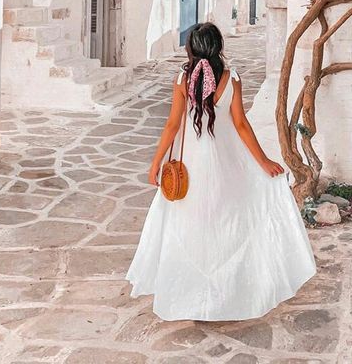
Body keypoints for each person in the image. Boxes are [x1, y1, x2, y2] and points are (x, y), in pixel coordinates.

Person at [125, 21, 316, 321]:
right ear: (218, 47)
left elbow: (173, 125)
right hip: (226, 160)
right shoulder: (231, 78)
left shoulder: (181, 80)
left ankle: (191, 294)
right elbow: (241, 124)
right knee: (228, 218)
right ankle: (229, 291)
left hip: (190, 164)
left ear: (190, 48)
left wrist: (156, 164)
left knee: (190, 221)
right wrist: (263, 161)